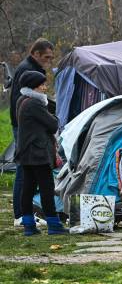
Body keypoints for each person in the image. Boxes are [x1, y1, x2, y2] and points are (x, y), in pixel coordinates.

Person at [14, 71, 67, 236]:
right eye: (43, 84)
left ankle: (29, 225)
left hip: (26, 151)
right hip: (38, 152)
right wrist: (53, 116)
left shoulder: (22, 100)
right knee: (46, 188)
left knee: (28, 188)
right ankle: (53, 224)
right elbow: (53, 124)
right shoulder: (35, 104)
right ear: (34, 86)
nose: (45, 87)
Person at [9, 38, 55, 227]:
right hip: (26, 128)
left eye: (51, 58)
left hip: (24, 125)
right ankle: (20, 214)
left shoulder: (30, 68)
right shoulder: (28, 70)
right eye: (46, 57)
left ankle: (24, 215)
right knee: (25, 172)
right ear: (35, 53)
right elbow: (25, 101)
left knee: (27, 173)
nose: (49, 61)